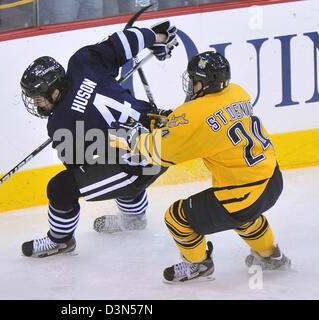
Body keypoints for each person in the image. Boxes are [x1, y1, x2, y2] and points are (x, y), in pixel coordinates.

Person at [114, 51, 291, 283]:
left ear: (204, 83)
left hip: (244, 195)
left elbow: (162, 153)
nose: (190, 84)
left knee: (177, 217)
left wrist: (134, 138)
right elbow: (207, 123)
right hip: (272, 180)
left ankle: (198, 264)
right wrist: (174, 126)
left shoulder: (193, 115)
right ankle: (271, 255)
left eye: (193, 79)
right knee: (245, 214)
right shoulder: (238, 92)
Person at [19, 21, 179, 257]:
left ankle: (60, 241)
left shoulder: (59, 124)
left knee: (62, 188)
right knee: (120, 156)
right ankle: (133, 218)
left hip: (145, 160)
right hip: (164, 131)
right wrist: (156, 38)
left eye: (38, 97)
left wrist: (70, 129)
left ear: (54, 91)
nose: (35, 103)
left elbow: (82, 167)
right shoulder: (82, 62)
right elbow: (122, 42)